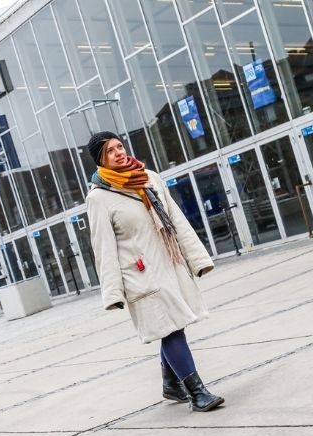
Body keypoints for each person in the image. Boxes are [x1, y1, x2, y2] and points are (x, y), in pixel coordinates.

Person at [86, 131, 224, 412]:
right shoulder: (99, 197)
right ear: (101, 160)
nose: (119, 152)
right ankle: (197, 393)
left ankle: (171, 384)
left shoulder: (148, 177)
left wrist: (197, 259)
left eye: (119, 146)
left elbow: (175, 219)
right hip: (141, 274)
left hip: (170, 263)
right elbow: (103, 247)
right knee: (171, 329)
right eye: (110, 151)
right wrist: (112, 293)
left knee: (175, 324)